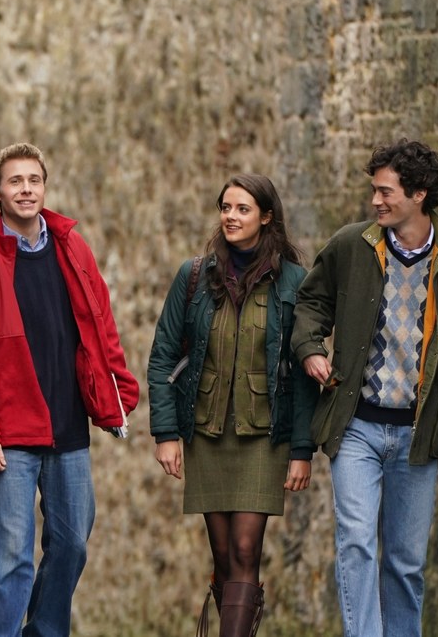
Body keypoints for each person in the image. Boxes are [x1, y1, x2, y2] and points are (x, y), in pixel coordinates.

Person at [291, 139, 438, 637]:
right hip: (356, 426)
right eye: (374, 191)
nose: (375, 201)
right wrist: (312, 349)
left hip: (418, 434)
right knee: (357, 543)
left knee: (406, 563)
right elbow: (309, 305)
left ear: (419, 194)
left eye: (385, 192)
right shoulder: (351, 245)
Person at [0, 142, 139, 636]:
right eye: (14, 181)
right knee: (10, 561)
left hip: (69, 427)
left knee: (72, 545)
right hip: (10, 435)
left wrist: (116, 392)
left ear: (44, 186)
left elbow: (101, 327)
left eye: (34, 180)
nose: (26, 189)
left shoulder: (74, 249)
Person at [147, 174, 317, 636]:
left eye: (242, 209)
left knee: (245, 551)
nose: (231, 216)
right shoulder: (195, 275)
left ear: (266, 216)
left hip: (263, 437)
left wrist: (302, 450)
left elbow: (304, 370)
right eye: (226, 207)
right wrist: (165, 434)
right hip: (205, 433)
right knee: (222, 558)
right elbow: (164, 355)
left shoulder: (294, 281)